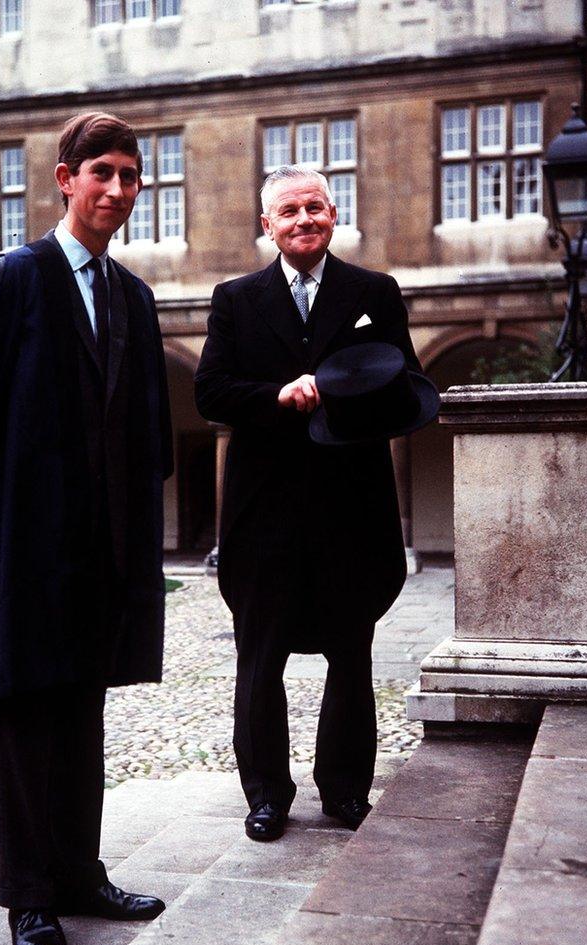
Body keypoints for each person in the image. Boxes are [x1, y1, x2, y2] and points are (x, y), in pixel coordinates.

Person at [0, 112, 173, 945]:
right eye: (100, 171)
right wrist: (6, 511)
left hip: (102, 549)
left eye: (130, 176)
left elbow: (147, 431)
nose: (117, 189)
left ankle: (79, 873)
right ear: (63, 179)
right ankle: (30, 895)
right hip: (26, 546)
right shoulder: (7, 281)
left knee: (83, 716)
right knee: (28, 720)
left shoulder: (133, 299)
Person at [195, 164, 431, 843]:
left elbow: (406, 385)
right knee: (259, 658)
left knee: (352, 654)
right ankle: (267, 795)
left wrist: (342, 391)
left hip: (350, 509)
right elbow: (212, 392)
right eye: (288, 211)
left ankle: (346, 793)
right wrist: (277, 396)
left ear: (334, 215)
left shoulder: (373, 293)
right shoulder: (235, 300)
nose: (303, 220)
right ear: (265, 225)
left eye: (314, 208)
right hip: (263, 512)